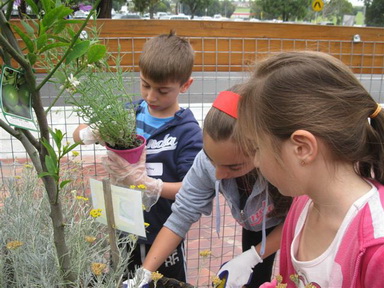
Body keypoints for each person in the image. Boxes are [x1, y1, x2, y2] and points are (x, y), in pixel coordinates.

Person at [114, 85, 292, 288]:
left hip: (295, 221)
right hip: (254, 218)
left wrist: (252, 257)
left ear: (261, 151)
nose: (217, 174)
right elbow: (181, 216)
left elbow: (299, 218)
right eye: (211, 158)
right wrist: (144, 273)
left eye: (233, 166)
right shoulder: (205, 163)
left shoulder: (285, 167)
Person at [236, 51, 384, 287]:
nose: (255, 162)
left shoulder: (376, 248)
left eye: (256, 148)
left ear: (302, 148)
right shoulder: (304, 204)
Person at [74, 31, 203, 282]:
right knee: (122, 279)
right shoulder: (128, 114)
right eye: (145, 85)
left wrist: (150, 185)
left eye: (163, 90)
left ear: (185, 85)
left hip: (163, 234)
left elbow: (192, 188)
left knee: (164, 283)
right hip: (123, 226)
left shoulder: (187, 131)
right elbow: (77, 134)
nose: (151, 96)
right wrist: (91, 132)